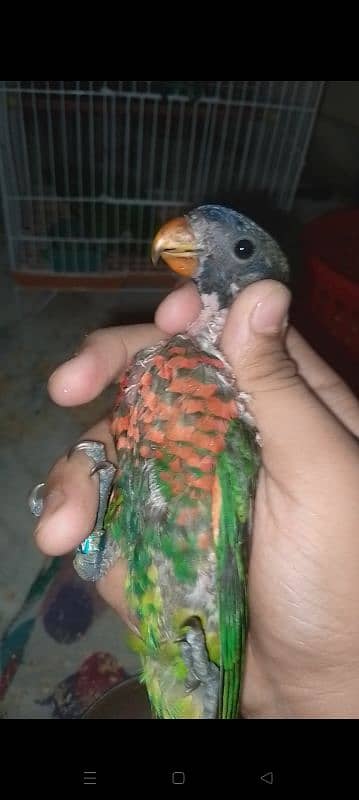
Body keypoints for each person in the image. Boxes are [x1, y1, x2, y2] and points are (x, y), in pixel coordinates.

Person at [32, 279, 359, 718]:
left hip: (201, 662)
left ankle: (97, 544)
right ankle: (97, 544)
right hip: (187, 643)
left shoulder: (231, 433)